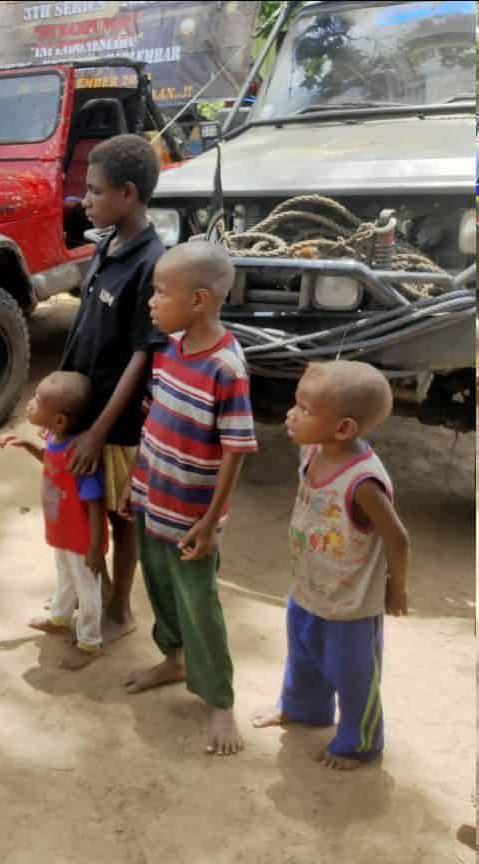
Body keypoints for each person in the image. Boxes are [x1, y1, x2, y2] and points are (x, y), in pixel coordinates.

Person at [123, 241, 258, 757]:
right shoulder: (171, 349)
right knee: (158, 586)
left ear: (199, 299)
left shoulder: (227, 368)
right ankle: (173, 660)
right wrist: (135, 484)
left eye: (161, 292)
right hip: (153, 498)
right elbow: (158, 422)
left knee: (199, 602)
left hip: (191, 516)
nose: (153, 302)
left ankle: (220, 700)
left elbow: (236, 449)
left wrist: (209, 518)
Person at [253, 361, 409, 771]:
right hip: (309, 587)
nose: (291, 414)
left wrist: (396, 587)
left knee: (353, 674)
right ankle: (304, 708)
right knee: (302, 655)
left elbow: (398, 537)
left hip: (351, 605)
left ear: (343, 429)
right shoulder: (315, 449)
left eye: (304, 409)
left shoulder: (364, 483)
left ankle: (361, 741)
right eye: (295, 403)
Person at [58, 134, 169, 646]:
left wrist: (99, 433)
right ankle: (91, 598)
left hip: (116, 425)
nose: (86, 199)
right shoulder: (107, 244)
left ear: (128, 194)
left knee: (121, 520)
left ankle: (120, 611)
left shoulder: (151, 263)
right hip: (86, 411)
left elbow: (142, 355)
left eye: (96, 191)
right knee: (87, 510)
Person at [0, 371, 108, 670]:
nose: (30, 403)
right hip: (63, 531)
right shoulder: (56, 440)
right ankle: (60, 618)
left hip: (82, 538)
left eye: (37, 400)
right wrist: (27, 445)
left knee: (87, 590)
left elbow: (96, 504)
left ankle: (89, 642)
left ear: (59, 420)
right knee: (64, 576)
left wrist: (95, 548)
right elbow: (51, 461)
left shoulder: (80, 455)